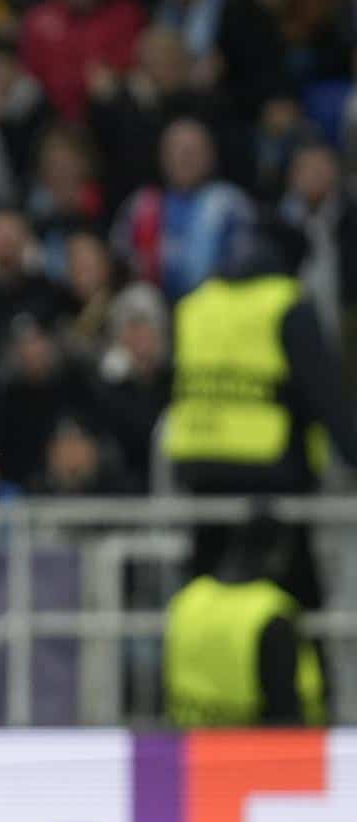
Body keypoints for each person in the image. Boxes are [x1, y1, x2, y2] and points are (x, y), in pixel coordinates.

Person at [164, 218, 357, 607]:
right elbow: (324, 396)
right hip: (270, 478)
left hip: (200, 474)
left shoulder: (197, 305)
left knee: (208, 602)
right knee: (288, 607)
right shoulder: (286, 304)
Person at [164, 515, 326, 726]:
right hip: (256, 751)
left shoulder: (187, 600)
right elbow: (284, 709)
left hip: (189, 747)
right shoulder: (271, 612)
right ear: (278, 553)